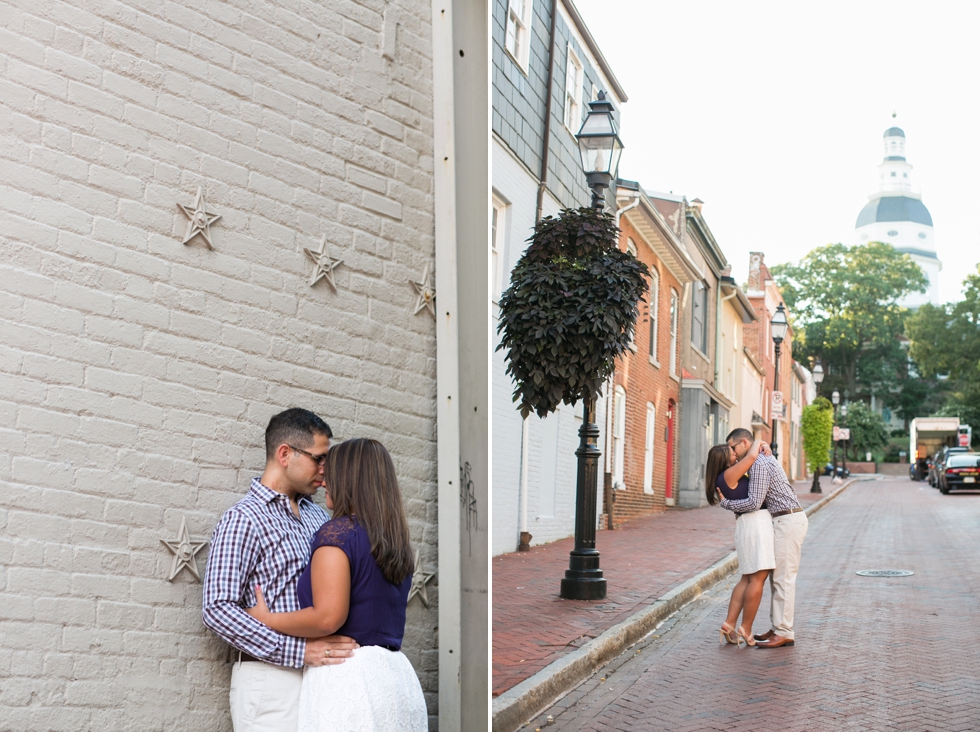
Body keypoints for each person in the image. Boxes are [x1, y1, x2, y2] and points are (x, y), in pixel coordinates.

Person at [246, 438, 427, 732]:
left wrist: (268, 619)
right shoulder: (393, 542)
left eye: (332, 472)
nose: (324, 479)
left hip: (349, 681)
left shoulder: (337, 534)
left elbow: (328, 617)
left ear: (350, 479)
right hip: (395, 680)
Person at [202, 408, 358, 732]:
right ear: (285, 454)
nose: (326, 471)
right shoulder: (244, 519)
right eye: (319, 459)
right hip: (271, 682)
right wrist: (299, 651)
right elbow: (216, 608)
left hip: (322, 677)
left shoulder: (319, 518)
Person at [719, 427, 809, 648]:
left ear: (742, 443)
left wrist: (727, 504)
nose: (733, 453)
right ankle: (778, 626)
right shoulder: (757, 460)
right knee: (775, 577)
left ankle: (785, 631)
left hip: (787, 520)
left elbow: (754, 503)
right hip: (781, 520)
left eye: (733, 447)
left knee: (783, 579)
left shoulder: (758, 463)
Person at [706, 439, 774, 647]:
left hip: (747, 525)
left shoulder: (723, 477)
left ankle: (729, 624)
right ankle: (746, 627)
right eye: (731, 452)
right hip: (756, 524)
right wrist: (760, 441)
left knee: (746, 578)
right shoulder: (729, 474)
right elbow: (752, 456)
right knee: (758, 579)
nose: (735, 454)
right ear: (724, 459)